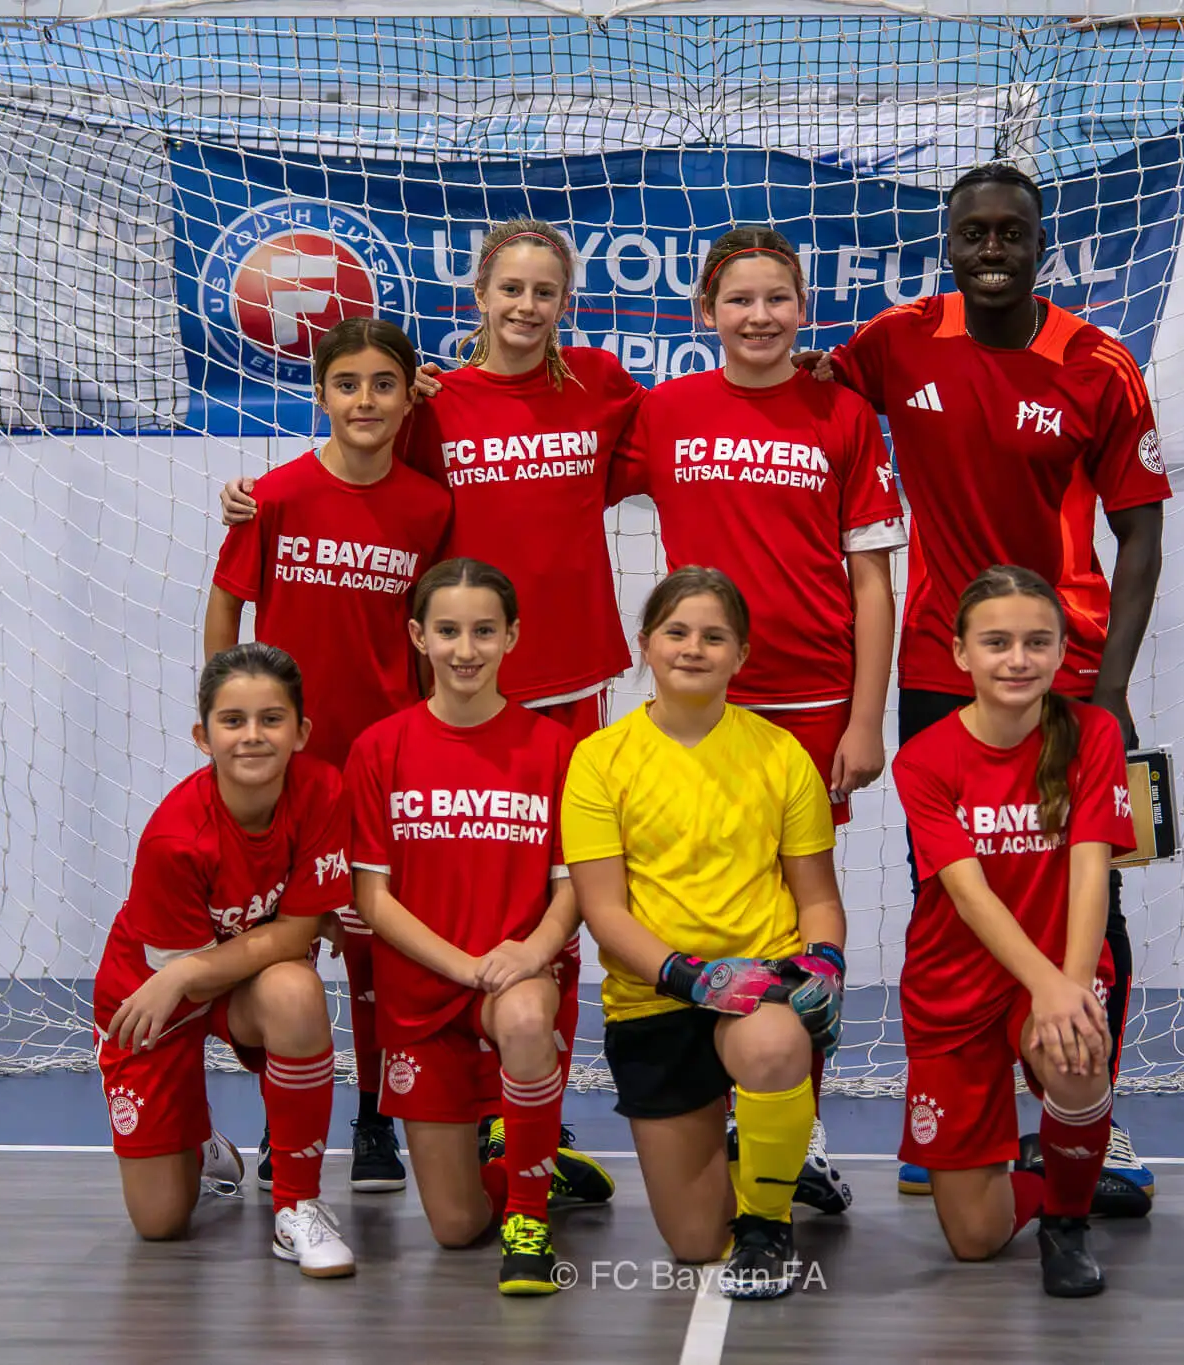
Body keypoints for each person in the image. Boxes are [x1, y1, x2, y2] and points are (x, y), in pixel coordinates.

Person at [800, 162, 1171, 1210]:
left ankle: (1086, 1103)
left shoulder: (1099, 365)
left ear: (1042, 244)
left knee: (1090, 897)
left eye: (1013, 232)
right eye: (976, 233)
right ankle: (951, 1114)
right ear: (949, 243)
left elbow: (1141, 534)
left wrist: (1109, 690)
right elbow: (806, 390)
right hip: (935, 666)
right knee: (948, 896)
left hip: (1069, 674)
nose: (994, 249)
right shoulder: (899, 339)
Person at [616, 225, 906, 1215]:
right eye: (738, 299)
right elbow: (552, 466)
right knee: (697, 893)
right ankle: (714, 1098)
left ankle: (795, 1117)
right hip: (699, 697)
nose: (758, 315)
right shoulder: (663, 411)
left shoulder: (843, 413)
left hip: (811, 703)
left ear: (802, 307)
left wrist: (865, 719)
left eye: (777, 297)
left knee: (793, 912)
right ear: (705, 311)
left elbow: (872, 580)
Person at [223, 218, 643, 741]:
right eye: (511, 289)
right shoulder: (431, 404)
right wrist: (257, 498)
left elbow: (676, 438)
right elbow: (360, 489)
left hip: (571, 667)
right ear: (481, 294)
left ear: (564, 305)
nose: (526, 306)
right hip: (462, 669)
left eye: (544, 293)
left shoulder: (596, 379)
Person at [205, 316, 451, 1195]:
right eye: (347, 384)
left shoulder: (429, 507)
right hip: (291, 770)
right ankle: (289, 1125)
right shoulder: (272, 496)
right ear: (320, 395)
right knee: (288, 955)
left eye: (384, 384)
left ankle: (376, 1120)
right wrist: (230, 722)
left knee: (377, 956)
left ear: (408, 396)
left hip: (383, 765)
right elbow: (228, 601)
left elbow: (435, 633)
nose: (364, 400)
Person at [563, 567, 847, 1300]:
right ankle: (770, 1153)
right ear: (645, 644)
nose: (694, 648)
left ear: (740, 655)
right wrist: (689, 975)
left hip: (758, 986)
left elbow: (818, 896)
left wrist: (825, 962)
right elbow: (603, 910)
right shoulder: (598, 759)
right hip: (656, 996)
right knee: (694, 1242)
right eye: (677, 632)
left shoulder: (781, 753)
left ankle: (769, 1222)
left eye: (714, 636)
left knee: (774, 1045)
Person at [347, 557, 615, 1296]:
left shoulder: (555, 748)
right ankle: (532, 1165)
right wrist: (462, 965)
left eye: (484, 631)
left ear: (512, 636)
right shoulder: (379, 748)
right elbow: (372, 898)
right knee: (457, 1225)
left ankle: (529, 1216)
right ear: (418, 636)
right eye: (448, 631)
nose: (466, 649)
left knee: (525, 1016)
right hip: (423, 990)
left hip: (517, 976)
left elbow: (572, 887)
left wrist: (530, 952)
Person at [892, 566, 1136, 1296]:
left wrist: (1068, 987)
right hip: (954, 980)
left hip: (1061, 963)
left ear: (1062, 652)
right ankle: (1049, 1169)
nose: (1018, 659)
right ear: (961, 652)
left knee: (1077, 1048)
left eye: (1037, 642)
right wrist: (1046, 984)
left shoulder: (1092, 732)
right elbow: (968, 895)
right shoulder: (923, 758)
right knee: (975, 1240)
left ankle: (1067, 1220)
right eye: (996, 642)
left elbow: (1091, 871)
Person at [92, 643, 355, 1278]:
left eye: (272, 719)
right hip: (151, 998)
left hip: (224, 980)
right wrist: (186, 971)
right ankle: (194, 1139)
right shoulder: (175, 839)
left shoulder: (323, 790)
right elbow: (198, 966)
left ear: (301, 732)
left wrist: (197, 967)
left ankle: (297, 1207)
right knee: (160, 1224)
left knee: (295, 993)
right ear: (203, 737)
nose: (253, 735)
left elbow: (296, 937)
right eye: (233, 721)